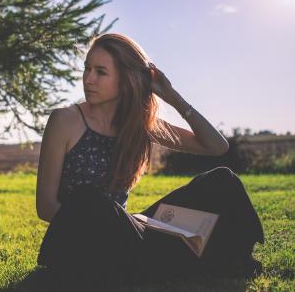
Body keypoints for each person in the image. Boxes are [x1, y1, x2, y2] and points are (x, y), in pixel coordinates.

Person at [35, 33, 264, 286]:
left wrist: (173, 98)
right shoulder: (65, 120)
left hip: (128, 232)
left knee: (222, 180)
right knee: (91, 200)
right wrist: (100, 229)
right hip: (81, 241)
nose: (88, 79)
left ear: (125, 79)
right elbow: (45, 207)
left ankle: (221, 260)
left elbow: (217, 147)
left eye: (100, 72)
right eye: (87, 69)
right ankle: (172, 263)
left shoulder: (139, 123)